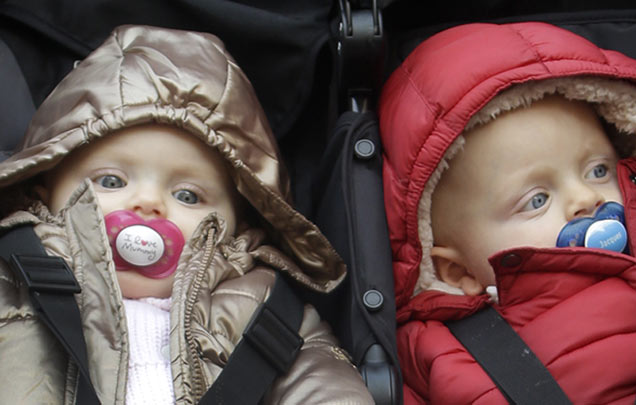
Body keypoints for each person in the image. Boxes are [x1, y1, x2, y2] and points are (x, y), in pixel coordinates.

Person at [0, 25, 374, 404]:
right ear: (43, 194)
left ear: (239, 223)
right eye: (111, 181)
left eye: (187, 195)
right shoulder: (10, 280)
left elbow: (321, 378)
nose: (148, 203)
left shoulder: (261, 307)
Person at [378, 21, 636, 404]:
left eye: (598, 170)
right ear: (459, 271)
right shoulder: (441, 351)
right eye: (537, 200)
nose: (585, 197)